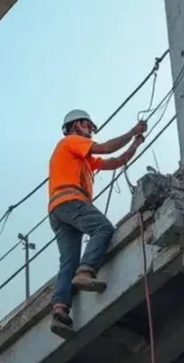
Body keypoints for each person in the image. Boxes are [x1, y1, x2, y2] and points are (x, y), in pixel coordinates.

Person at [47, 109, 145, 336]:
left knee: (67, 262)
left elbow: (116, 161)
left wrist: (136, 143)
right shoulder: (71, 142)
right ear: (76, 125)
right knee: (103, 228)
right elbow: (108, 148)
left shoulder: (81, 158)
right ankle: (87, 269)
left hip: (58, 210)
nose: (91, 130)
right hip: (70, 201)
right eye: (88, 125)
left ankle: (60, 310)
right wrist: (132, 131)